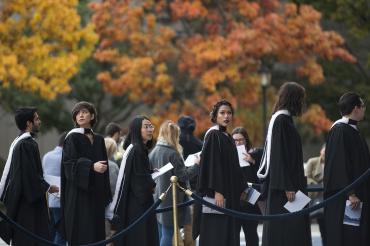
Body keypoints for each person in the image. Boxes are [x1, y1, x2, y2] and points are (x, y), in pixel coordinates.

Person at [257, 82, 311, 246]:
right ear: (293, 99)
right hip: (285, 190)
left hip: (290, 184)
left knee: (292, 230)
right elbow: (279, 156)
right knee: (286, 232)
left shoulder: (284, 119)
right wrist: (288, 186)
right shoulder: (281, 121)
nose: (302, 103)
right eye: (300, 99)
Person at [0, 107, 58, 245]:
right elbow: (30, 176)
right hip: (28, 205)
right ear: (28, 123)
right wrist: (48, 187)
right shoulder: (27, 144)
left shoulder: (19, 142)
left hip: (22, 200)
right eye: (37, 119)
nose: (40, 121)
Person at [60, 101, 112, 245]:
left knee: (96, 235)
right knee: (81, 233)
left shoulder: (100, 139)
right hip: (78, 196)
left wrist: (105, 193)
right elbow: (69, 165)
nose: (81, 115)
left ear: (92, 116)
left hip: (96, 195)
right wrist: (90, 166)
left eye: (84, 112)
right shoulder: (72, 138)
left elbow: (104, 167)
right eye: (78, 113)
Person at [195, 100, 244, 246]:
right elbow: (212, 165)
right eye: (222, 113)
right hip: (218, 194)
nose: (226, 116)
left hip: (230, 192)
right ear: (215, 116)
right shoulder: (213, 136)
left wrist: (242, 187)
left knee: (228, 232)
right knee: (217, 233)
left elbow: (233, 166)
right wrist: (218, 191)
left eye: (229, 113)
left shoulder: (227, 137)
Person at [324, 92, 370, 246]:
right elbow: (339, 165)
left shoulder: (353, 131)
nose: (364, 109)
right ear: (356, 108)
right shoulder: (340, 130)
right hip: (348, 199)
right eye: (363, 106)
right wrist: (350, 193)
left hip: (359, 196)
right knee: (347, 237)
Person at [107, 115, 159, 246]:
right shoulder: (137, 150)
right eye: (146, 127)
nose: (150, 129)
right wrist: (151, 184)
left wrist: (150, 173)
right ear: (136, 129)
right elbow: (140, 182)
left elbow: (137, 174)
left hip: (134, 203)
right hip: (138, 206)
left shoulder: (136, 148)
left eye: (151, 126)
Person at [149, 120, 200, 246]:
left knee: (161, 232)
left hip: (158, 198)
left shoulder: (154, 151)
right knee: (168, 233)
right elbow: (183, 176)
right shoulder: (173, 153)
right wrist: (196, 166)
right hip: (172, 200)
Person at [232, 127, 262, 246]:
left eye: (241, 140)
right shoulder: (229, 156)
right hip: (234, 200)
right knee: (234, 233)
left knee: (251, 232)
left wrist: (252, 161)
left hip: (250, 199)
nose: (238, 142)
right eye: (235, 140)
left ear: (246, 140)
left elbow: (262, 175)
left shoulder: (255, 154)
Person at [177, 115, 202, 246]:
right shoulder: (199, 143)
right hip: (194, 187)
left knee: (174, 223)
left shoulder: (176, 143)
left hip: (177, 186)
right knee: (190, 222)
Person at [42, 132, 67, 245]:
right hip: (62, 200)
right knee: (61, 232)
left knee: (51, 231)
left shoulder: (47, 156)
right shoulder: (66, 157)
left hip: (48, 200)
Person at [305, 144, 326, 246]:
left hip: (326, 199)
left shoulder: (332, 163)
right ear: (320, 151)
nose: (325, 153)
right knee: (306, 223)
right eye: (324, 151)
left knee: (324, 226)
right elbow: (306, 177)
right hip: (313, 197)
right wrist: (318, 185)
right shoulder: (312, 161)